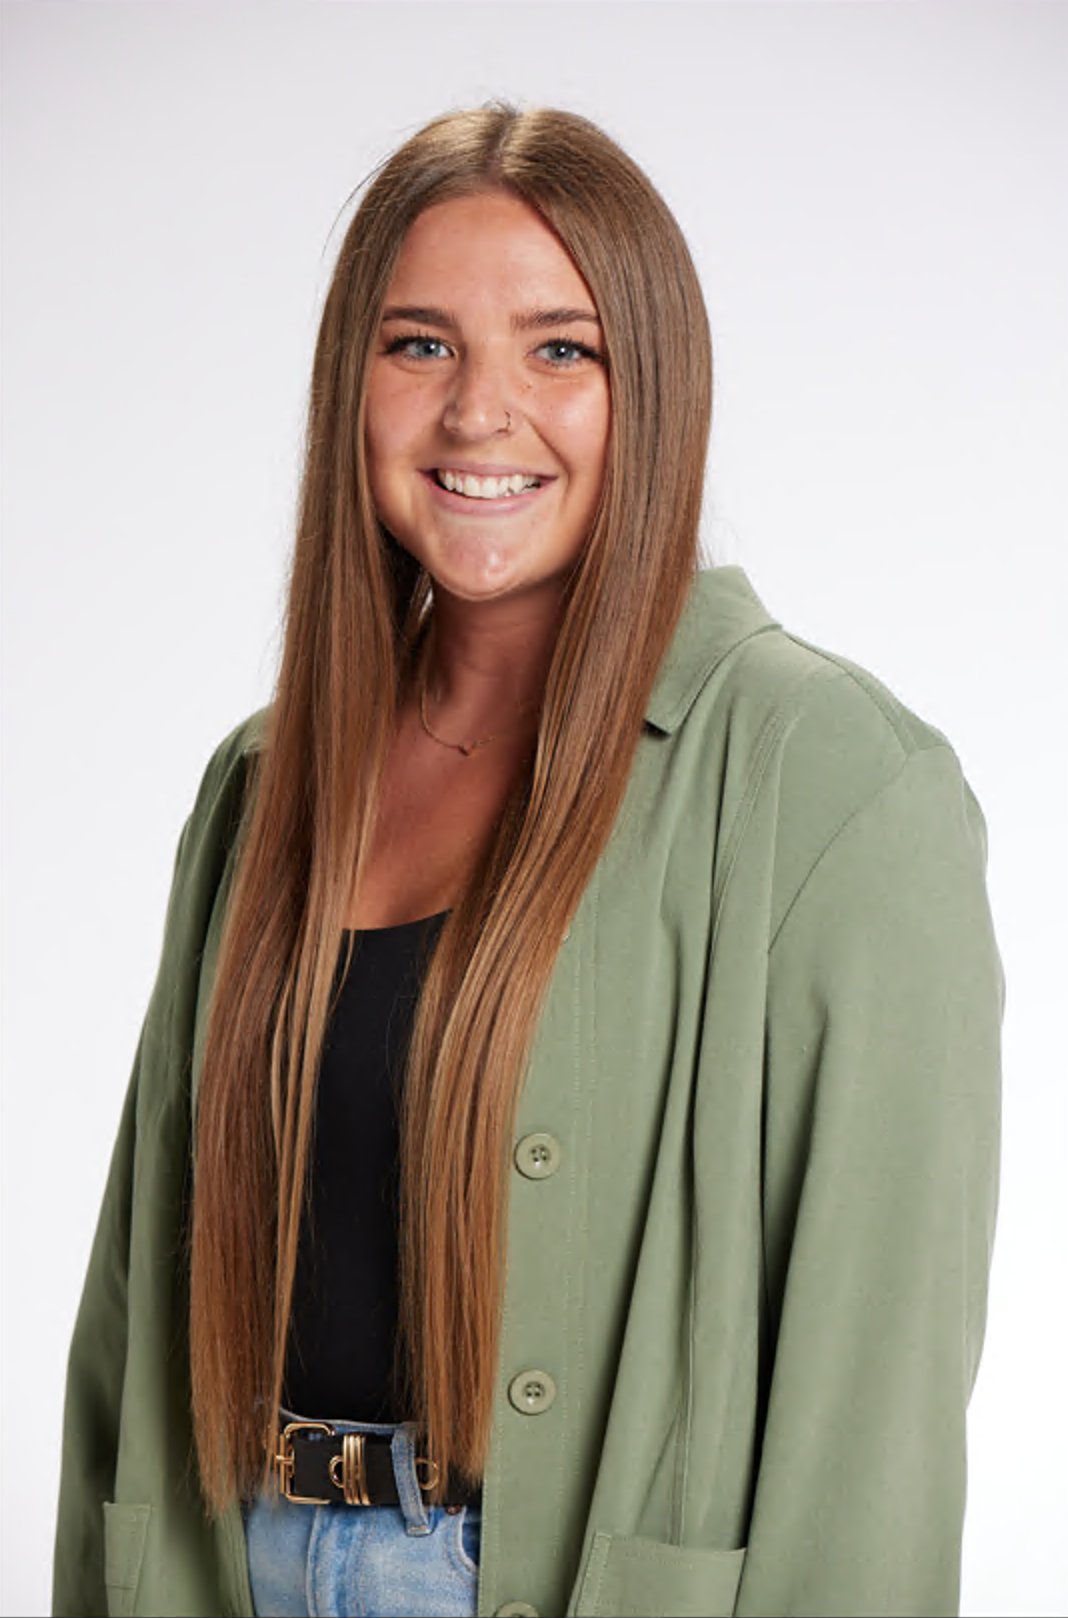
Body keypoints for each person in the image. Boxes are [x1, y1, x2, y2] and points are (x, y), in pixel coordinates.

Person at [52, 104, 1002, 1618]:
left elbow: (873, 1413)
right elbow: (129, 1310)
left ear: (656, 390)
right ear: (350, 385)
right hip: (230, 1564)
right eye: (420, 344)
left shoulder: (830, 781)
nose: (479, 411)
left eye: (562, 349)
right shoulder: (262, 782)